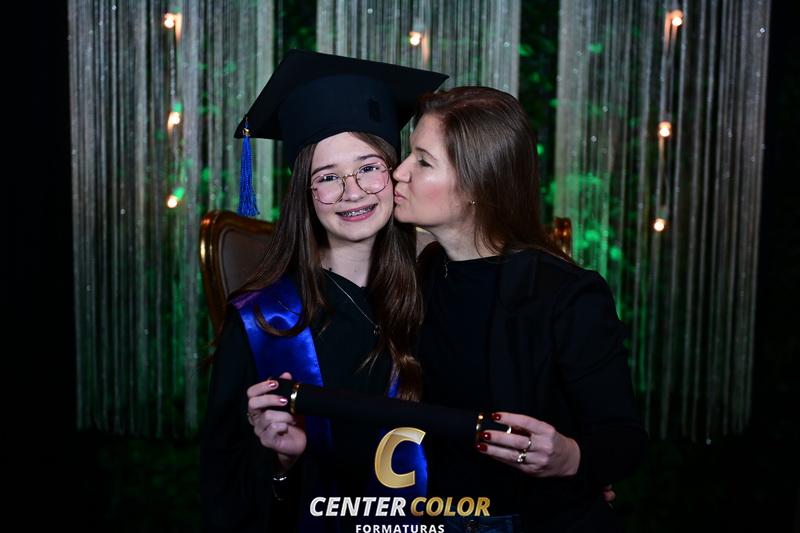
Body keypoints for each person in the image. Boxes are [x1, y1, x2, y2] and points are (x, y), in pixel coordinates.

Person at [199, 50, 446, 533]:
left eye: (368, 167)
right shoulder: (262, 322)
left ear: (396, 174)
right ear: (305, 197)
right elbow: (225, 492)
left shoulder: (441, 293)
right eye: (327, 177)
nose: (352, 191)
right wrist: (281, 464)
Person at [393, 86, 647, 532]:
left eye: (423, 161)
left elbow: (624, 440)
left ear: (477, 184)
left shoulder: (566, 294)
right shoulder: (428, 270)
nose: (399, 171)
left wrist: (571, 457)